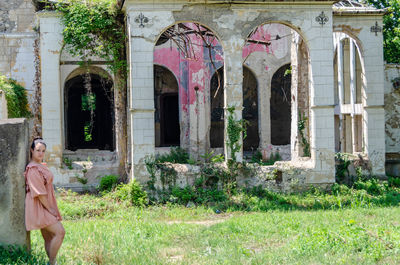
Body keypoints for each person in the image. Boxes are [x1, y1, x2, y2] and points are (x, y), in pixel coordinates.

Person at [25, 137, 65, 265]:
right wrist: (51, 209)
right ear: (31, 150)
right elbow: (40, 194)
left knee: (48, 237)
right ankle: (52, 262)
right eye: (38, 150)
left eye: (43, 151)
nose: (41, 153)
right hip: (40, 206)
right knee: (60, 232)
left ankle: (51, 262)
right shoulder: (33, 169)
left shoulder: (39, 166)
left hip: (44, 204)